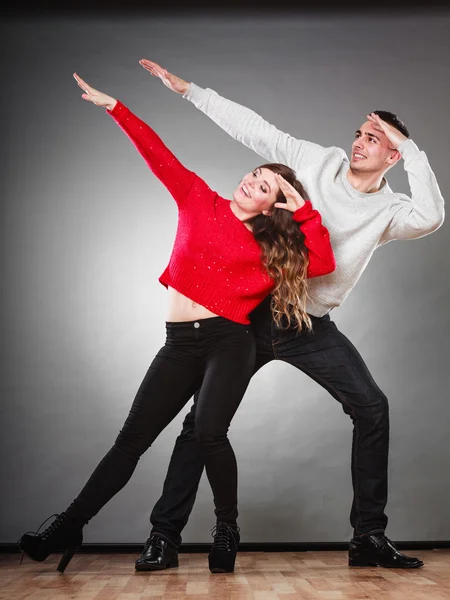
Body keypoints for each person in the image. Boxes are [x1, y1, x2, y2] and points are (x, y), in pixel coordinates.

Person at [134, 58, 445, 571]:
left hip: (309, 327)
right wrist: (190, 90)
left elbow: (432, 215)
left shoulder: (390, 211)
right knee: (202, 423)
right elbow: (254, 128)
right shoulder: (316, 162)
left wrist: (412, 148)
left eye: (375, 138)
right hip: (250, 319)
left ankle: (368, 537)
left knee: (372, 408)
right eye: (360, 133)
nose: (360, 142)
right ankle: (163, 535)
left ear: (394, 153)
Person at [18, 74, 335, 575]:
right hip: (178, 343)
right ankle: (69, 525)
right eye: (255, 173)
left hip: (229, 342)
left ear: (275, 204)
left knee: (209, 432)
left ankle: (226, 526)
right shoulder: (198, 198)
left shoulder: (270, 249)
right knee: (130, 442)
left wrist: (307, 212)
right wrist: (117, 107)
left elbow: (321, 265)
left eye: (266, 186)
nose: (252, 180)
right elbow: (157, 152)